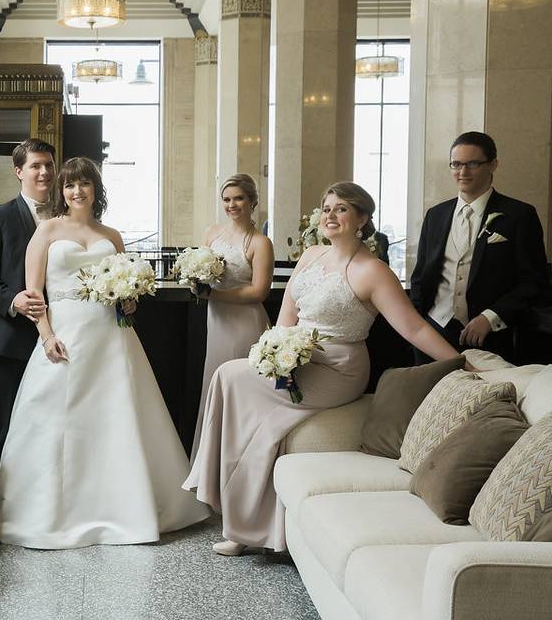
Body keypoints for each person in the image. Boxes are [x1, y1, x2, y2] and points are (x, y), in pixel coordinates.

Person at [184, 182, 463, 556]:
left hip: (339, 367)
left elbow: (413, 327)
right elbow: (286, 318)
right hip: (294, 356)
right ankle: (243, 521)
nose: (330, 216)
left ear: (362, 219)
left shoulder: (372, 271)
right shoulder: (311, 255)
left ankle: (245, 525)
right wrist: (270, 352)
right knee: (232, 377)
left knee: (233, 378)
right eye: (326, 208)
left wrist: (459, 361)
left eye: (341, 209)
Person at [0, 157, 209, 549]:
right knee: (61, 423)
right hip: (65, 336)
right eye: (70, 185)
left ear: (96, 189)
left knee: (118, 419)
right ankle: (55, 512)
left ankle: (126, 506)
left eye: (84, 184)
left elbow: (125, 287)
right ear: (62, 191)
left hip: (111, 336)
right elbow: (33, 294)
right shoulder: (46, 231)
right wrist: (45, 335)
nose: (77, 192)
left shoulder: (112, 234)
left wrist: (128, 302)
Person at [0, 138, 56, 532]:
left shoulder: (64, 217)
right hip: (4, 340)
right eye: (36, 165)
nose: (44, 172)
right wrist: (13, 300)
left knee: (45, 424)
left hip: (53, 338)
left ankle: (36, 499)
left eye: (49, 165)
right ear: (19, 171)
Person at [410, 131, 548, 363]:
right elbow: (421, 276)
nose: (462, 172)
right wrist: (417, 323)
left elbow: (534, 281)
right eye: (456, 164)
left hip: (490, 337)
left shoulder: (519, 215)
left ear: (493, 165)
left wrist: (490, 317)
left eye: (473, 164)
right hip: (433, 331)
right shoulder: (435, 215)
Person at [191, 174, 273, 458]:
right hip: (217, 321)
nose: (232, 205)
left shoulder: (260, 242)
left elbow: (258, 292)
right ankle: (211, 459)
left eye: (238, 198)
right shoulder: (212, 233)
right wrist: (194, 279)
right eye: (226, 199)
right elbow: (198, 271)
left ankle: (241, 456)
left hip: (245, 322)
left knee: (242, 386)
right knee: (214, 382)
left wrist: (213, 296)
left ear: (252, 201)